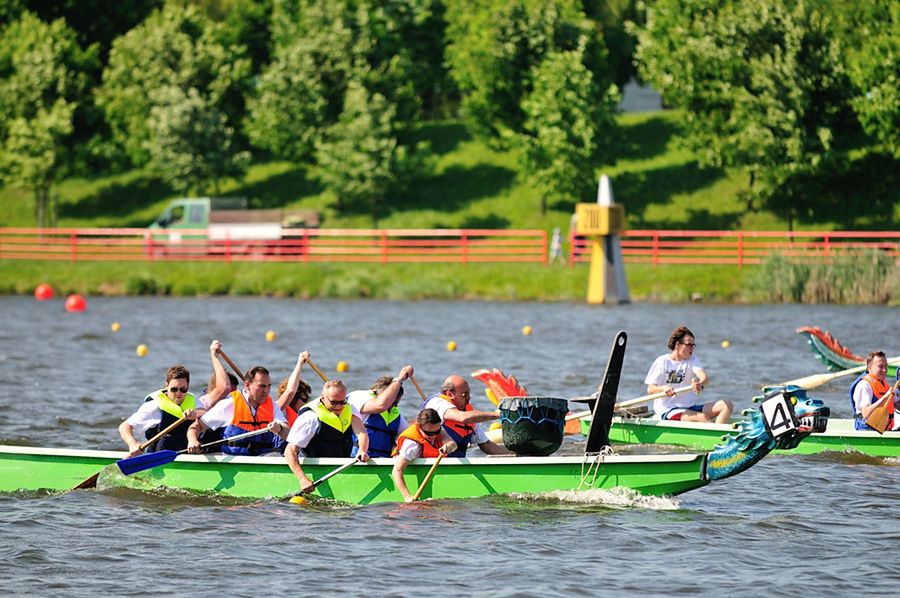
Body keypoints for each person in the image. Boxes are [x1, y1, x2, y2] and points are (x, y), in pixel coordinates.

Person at [118, 340, 225, 456]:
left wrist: (195, 413)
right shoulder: (154, 406)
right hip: (160, 456)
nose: (179, 393)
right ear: (166, 386)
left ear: (187, 387)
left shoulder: (192, 399)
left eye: (183, 389)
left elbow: (204, 412)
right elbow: (124, 426)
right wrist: (132, 444)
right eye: (174, 389)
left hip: (185, 453)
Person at [284, 379, 369, 493]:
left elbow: (362, 432)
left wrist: (362, 450)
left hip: (340, 466)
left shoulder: (349, 409)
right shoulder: (310, 417)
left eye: (342, 402)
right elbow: (289, 451)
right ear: (323, 397)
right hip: (314, 467)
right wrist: (302, 478)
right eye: (334, 402)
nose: (338, 406)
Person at [186, 365, 287, 456]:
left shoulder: (272, 405)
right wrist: (193, 440)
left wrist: (280, 429)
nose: (266, 391)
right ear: (247, 385)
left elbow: (287, 432)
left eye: (269, 386)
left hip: (262, 460)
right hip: (234, 461)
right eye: (262, 386)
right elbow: (196, 427)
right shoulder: (229, 404)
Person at [645, 325, 733, 423]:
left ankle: (720, 433)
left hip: (689, 408)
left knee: (727, 405)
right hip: (668, 410)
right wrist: (663, 388)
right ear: (678, 345)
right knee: (702, 418)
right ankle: (716, 434)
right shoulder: (662, 361)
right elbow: (650, 389)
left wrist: (700, 383)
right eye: (689, 345)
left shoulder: (692, 359)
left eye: (693, 345)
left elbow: (704, 376)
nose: (692, 348)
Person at [420, 374, 508, 456]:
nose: (469, 398)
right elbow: (462, 417)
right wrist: (500, 414)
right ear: (449, 394)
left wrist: (511, 457)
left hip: (457, 464)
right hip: (432, 462)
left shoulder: (469, 413)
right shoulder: (437, 403)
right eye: (464, 394)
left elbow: (485, 444)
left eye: (469, 393)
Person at [392, 409, 457, 502]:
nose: (434, 436)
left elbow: (453, 444)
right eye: (429, 433)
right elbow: (397, 470)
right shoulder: (412, 445)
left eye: (437, 432)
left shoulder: (438, 430)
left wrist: (448, 447)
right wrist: (407, 496)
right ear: (419, 427)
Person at [347, 365, 414, 457]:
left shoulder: (394, 412)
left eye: (396, 403)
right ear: (380, 394)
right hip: (357, 458)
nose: (394, 406)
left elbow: (409, 435)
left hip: (383, 460)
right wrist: (400, 379)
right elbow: (381, 405)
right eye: (393, 402)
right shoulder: (358, 397)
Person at [849, 351, 899, 431]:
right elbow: (865, 414)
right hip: (867, 430)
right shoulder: (865, 385)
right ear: (870, 368)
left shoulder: (885, 385)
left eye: (886, 366)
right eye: (880, 366)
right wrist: (885, 397)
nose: (884, 370)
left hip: (884, 430)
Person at [276, 351, 313, 428]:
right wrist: (300, 363)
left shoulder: (305, 415)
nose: (307, 403)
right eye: (304, 399)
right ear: (293, 399)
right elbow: (290, 390)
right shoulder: (278, 409)